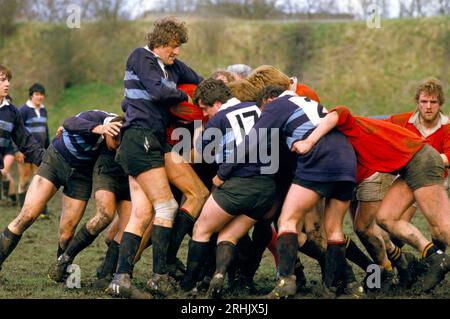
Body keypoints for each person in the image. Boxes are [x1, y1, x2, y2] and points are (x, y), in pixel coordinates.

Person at [215, 84, 362, 299]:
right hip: (346, 159)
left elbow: (252, 140)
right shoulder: (310, 104)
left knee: (287, 221)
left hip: (319, 158)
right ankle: (335, 288)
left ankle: (286, 282)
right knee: (334, 229)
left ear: (269, 99)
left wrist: (223, 173)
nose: (263, 115)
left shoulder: (278, 104)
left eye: (263, 109)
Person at [292, 105, 450, 292]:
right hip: (405, 167)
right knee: (385, 219)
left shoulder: (343, 124)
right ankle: (430, 257)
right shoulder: (333, 144)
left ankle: (411, 263)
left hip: (421, 159)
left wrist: (309, 141)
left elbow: (339, 112)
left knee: (442, 226)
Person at [106, 17, 205, 299]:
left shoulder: (172, 65)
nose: (177, 52)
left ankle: (120, 279)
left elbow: (200, 82)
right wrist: (185, 101)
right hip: (140, 139)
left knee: (142, 213)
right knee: (166, 207)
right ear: (160, 43)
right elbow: (159, 90)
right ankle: (158, 277)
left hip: (153, 141)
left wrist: (208, 97)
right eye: (173, 47)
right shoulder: (141, 56)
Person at [180, 78, 276, 299]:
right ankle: (220, 276)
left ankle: (189, 285)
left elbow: (200, 153)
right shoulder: (256, 107)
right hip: (267, 187)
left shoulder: (219, 119)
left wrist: (197, 130)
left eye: (204, 108)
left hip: (239, 185)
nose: (205, 114)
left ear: (214, 102)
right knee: (229, 235)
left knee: (201, 230)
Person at [0, 108, 123, 274]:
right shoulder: (96, 118)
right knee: (26, 216)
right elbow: (70, 122)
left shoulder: (117, 140)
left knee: (66, 235)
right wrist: (97, 128)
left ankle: (60, 272)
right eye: (116, 142)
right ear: (110, 131)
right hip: (56, 161)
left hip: (81, 175)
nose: (116, 147)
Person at [17, 83, 50, 216]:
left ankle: (42, 210)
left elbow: (45, 131)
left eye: (41, 94)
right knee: (24, 179)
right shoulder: (23, 110)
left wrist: (48, 148)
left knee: (40, 180)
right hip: (25, 151)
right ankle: (22, 208)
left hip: (39, 151)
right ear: (31, 95)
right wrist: (18, 150)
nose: (40, 97)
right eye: (37, 94)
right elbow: (17, 131)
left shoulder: (44, 110)